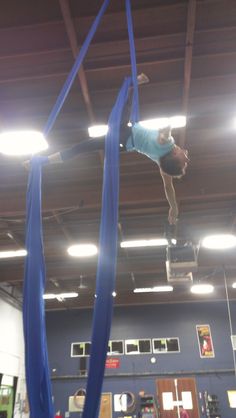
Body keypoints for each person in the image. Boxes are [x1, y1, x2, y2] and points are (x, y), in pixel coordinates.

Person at [25, 75, 189, 224]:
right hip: (124, 144)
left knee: (120, 112)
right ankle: (42, 161)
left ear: (175, 154)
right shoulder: (163, 165)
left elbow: (163, 136)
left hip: (124, 134)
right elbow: (168, 188)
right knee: (82, 147)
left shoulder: (167, 145)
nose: (187, 159)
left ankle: (132, 84)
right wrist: (173, 207)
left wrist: (167, 128)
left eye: (184, 162)